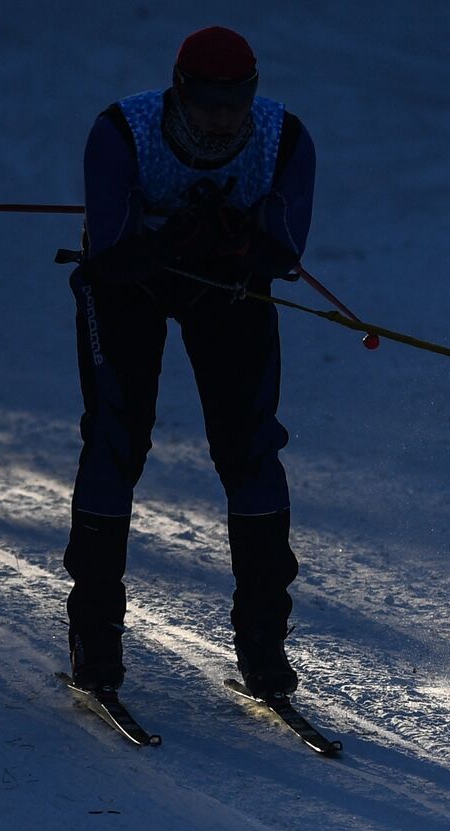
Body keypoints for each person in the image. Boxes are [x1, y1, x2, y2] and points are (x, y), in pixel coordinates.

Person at [62, 25, 315, 700]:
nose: (224, 118)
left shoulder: (285, 139)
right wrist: (184, 235)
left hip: (227, 291)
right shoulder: (121, 131)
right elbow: (113, 252)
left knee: (251, 451)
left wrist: (237, 247)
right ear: (180, 91)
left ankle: (264, 645)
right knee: (117, 441)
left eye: (238, 102)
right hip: (129, 289)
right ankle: (95, 639)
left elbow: (284, 253)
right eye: (208, 103)